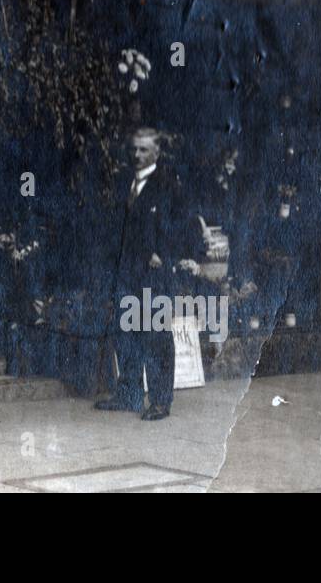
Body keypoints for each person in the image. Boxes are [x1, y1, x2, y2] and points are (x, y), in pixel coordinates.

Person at [96, 127, 192, 421]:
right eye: (134, 149)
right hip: (126, 270)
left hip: (153, 274)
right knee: (126, 333)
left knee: (155, 335)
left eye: (143, 150)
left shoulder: (169, 185)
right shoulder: (126, 182)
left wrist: (164, 254)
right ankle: (129, 393)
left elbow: (184, 226)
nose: (136, 155)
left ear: (156, 152)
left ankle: (161, 400)